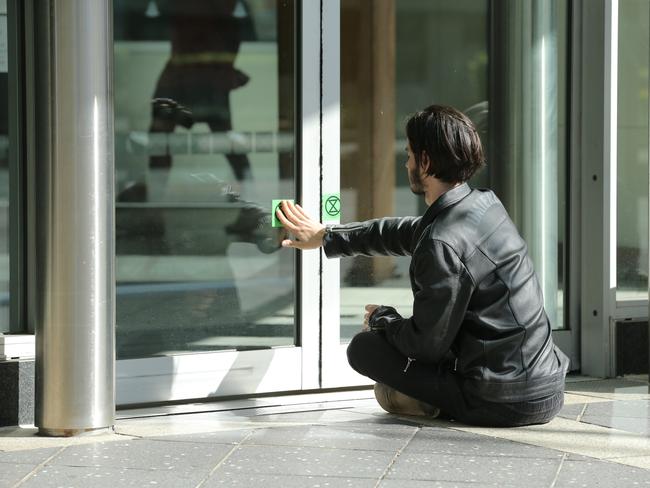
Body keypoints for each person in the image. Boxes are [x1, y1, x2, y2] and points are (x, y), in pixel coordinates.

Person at [275, 104, 569, 427]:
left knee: (363, 349)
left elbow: (425, 345)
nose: (406, 162)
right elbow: (399, 232)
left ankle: (435, 402)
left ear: (425, 162)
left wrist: (382, 319)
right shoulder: (484, 205)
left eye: (410, 154)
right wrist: (327, 236)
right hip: (548, 388)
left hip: (499, 400)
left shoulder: (441, 242)